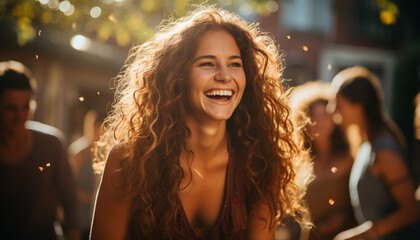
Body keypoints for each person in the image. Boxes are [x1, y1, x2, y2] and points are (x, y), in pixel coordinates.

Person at [91, 5, 312, 240]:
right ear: (177, 77)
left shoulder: (258, 162)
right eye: (207, 63)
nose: (225, 75)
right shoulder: (130, 160)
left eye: (235, 64)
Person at [329, 66, 420, 240]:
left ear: (358, 106)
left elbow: (412, 211)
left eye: (338, 104)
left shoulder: (384, 151)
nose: (332, 110)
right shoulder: (366, 144)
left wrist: (359, 235)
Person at [0, 60, 81, 239]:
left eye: (26, 107)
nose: (20, 116)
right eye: (11, 108)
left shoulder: (52, 144)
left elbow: (71, 207)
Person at [289, 81, 357, 240]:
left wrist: (344, 216)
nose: (320, 122)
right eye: (313, 116)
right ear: (303, 122)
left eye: (325, 116)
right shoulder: (301, 162)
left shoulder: (351, 155)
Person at [68, 110, 104, 240]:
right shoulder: (78, 153)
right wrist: (92, 198)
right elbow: (67, 188)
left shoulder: (105, 154)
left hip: (96, 219)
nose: (100, 134)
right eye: (97, 129)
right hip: (78, 218)